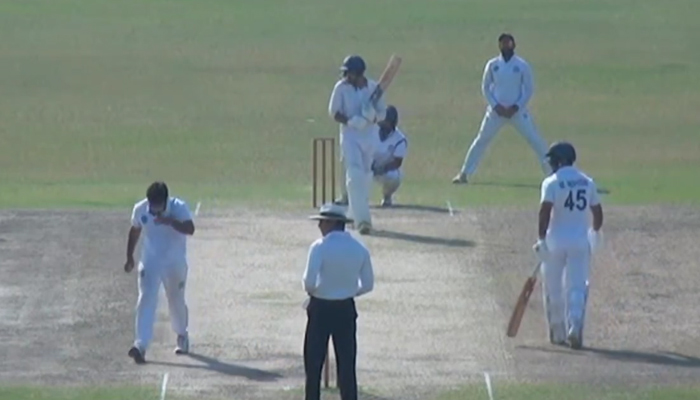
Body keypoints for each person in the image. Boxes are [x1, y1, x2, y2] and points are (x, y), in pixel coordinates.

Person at [453, 33, 551, 184]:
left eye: (509, 43)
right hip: (496, 113)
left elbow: (529, 89)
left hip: (517, 112)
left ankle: (552, 172)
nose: (506, 46)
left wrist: (516, 106)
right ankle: (464, 173)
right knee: (481, 140)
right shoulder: (493, 65)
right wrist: (495, 106)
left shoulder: (522, 65)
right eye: (503, 43)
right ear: (499, 45)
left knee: (535, 140)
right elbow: (485, 87)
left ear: (514, 45)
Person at [533, 142, 604, 350]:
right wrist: (595, 232)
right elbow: (597, 212)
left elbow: (545, 212)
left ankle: (557, 332)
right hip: (580, 242)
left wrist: (541, 239)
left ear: (559, 160)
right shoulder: (587, 181)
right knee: (577, 286)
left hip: (555, 242)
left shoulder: (551, 183)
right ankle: (575, 325)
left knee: (553, 287)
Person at [302, 203, 375, 400]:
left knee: (313, 365)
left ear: (332, 223)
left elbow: (309, 282)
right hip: (345, 308)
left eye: (322, 222)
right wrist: (349, 291)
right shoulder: (359, 248)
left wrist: (320, 291)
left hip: (320, 308)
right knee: (347, 364)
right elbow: (368, 284)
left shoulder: (319, 247)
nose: (319, 226)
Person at [124, 181, 196, 364]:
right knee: (146, 297)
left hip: (175, 263)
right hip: (150, 262)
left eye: (158, 206)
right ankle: (140, 344)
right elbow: (135, 230)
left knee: (175, 300)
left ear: (165, 201)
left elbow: (190, 229)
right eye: (152, 205)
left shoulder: (178, 207)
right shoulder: (141, 209)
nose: (154, 210)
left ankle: (182, 335)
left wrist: (170, 221)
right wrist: (129, 256)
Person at [328, 54, 387, 235]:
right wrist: (350, 121)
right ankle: (363, 221)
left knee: (366, 176)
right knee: (354, 175)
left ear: (359, 73)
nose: (346, 76)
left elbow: (383, 113)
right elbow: (333, 112)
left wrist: (372, 117)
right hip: (350, 137)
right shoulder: (341, 88)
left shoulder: (374, 88)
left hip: (369, 138)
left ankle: (353, 214)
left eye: (350, 73)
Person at [372, 105, 408, 207]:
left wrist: (383, 168)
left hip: (385, 170)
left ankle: (387, 196)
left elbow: (397, 162)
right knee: (355, 170)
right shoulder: (371, 132)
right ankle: (353, 198)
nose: (384, 123)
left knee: (394, 176)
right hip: (369, 166)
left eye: (387, 121)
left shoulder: (399, 139)